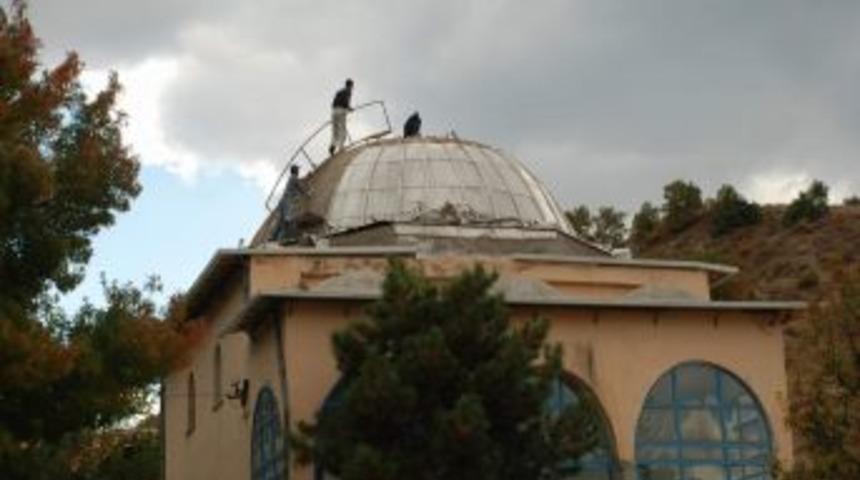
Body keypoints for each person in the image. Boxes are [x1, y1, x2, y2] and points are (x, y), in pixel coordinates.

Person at [271, 164, 309, 244]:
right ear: (295, 171)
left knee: (280, 221)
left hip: (283, 200)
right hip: (287, 200)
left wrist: (306, 178)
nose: (299, 171)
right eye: (297, 170)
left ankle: (273, 238)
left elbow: (298, 184)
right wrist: (307, 194)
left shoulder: (291, 179)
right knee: (288, 220)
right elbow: (300, 187)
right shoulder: (294, 178)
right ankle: (284, 239)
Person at [329, 79, 354, 156]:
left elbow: (334, 103)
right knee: (342, 129)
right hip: (341, 111)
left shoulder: (339, 92)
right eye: (352, 86)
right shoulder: (348, 91)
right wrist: (349, 108)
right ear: (350, 86)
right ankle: (341, 148)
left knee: (335, 130)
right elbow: (346, 102)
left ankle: (332, 145)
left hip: (334, 111)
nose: (352, 88)